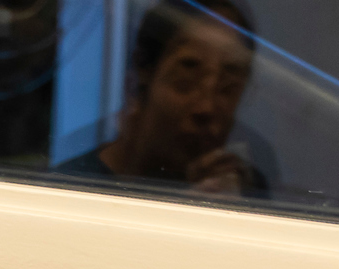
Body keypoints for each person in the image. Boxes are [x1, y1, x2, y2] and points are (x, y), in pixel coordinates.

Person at [52, 0, 271, 198]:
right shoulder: (71, 191)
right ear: (143, 73)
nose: (206, 107)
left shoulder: (244, 186)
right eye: (186, 78)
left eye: (228, 88)